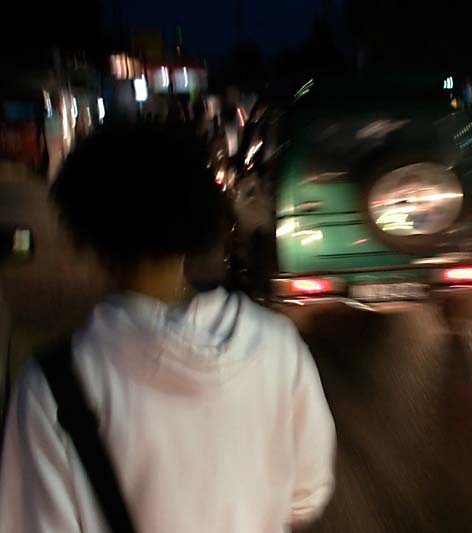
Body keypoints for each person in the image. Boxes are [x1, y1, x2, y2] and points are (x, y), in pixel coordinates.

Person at [0, 124, 336, 532]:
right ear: (199, 221)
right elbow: (308, 492)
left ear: (87, 235)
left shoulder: (51, 388)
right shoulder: (278, 347)